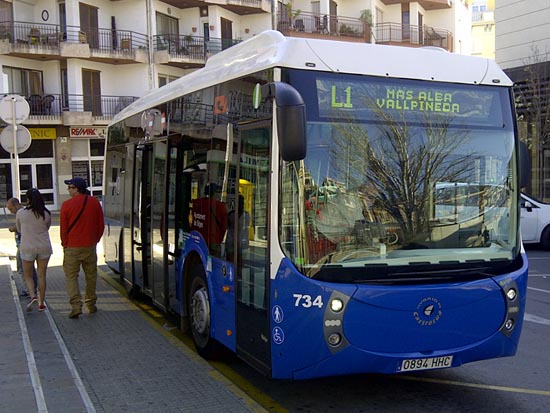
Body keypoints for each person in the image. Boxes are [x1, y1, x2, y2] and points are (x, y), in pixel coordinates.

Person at [60, 177, 104, 319]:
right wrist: (95, 240)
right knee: (91, 276)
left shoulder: (66, 205)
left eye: (70, 187)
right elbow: (100, 224)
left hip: (72, 247)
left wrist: (65, 244)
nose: (68, 190)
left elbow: (64, 229)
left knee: (71, 277)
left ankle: (76, 306)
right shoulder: (95, 202)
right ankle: (91, 304)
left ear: (77, 189)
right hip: (89, 246)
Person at [15, 189, 52, 312]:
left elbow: (19, 229)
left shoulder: (21, 213)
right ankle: (42, 302)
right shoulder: (46, 213)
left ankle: (33, 296)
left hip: (27, 247)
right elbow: (47, 228)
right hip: (44, 247)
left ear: (28, 199)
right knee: (42, 275)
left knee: (28, 275)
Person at [6, 198, 38, 297]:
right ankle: (32, 289)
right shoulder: (25, 212)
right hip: (25, 243)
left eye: (11, 209)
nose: (11, 212)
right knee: (29, 268)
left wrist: (13, 228)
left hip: (24, 244)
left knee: (23, 268)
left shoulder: (22, 213)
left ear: (16, 205)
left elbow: (22, 227)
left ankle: (29, 290)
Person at [190, 183, 228, 257]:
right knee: (214, 264)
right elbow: (224, 227)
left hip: (197, 240)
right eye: (218, 192)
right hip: (213, 241)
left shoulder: (196, 202)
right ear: (214, 193)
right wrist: (219, 239)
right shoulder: (220, 206)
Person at [226, 194, 250, 262]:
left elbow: (227, 225)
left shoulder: (231, 214)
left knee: (233, 263)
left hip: (236, 243)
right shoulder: (246, 215)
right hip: (239, 244)